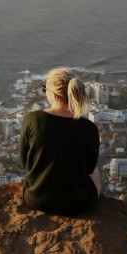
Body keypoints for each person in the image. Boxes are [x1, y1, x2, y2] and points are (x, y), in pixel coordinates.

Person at [19, 67, 102, 216]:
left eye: (45, 89)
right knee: (96, 172)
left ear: (54, 94)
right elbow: (89, 168)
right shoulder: (88, 128)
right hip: (78, 204)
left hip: (36, 200)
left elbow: (25, 162)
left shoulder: (33, 119)